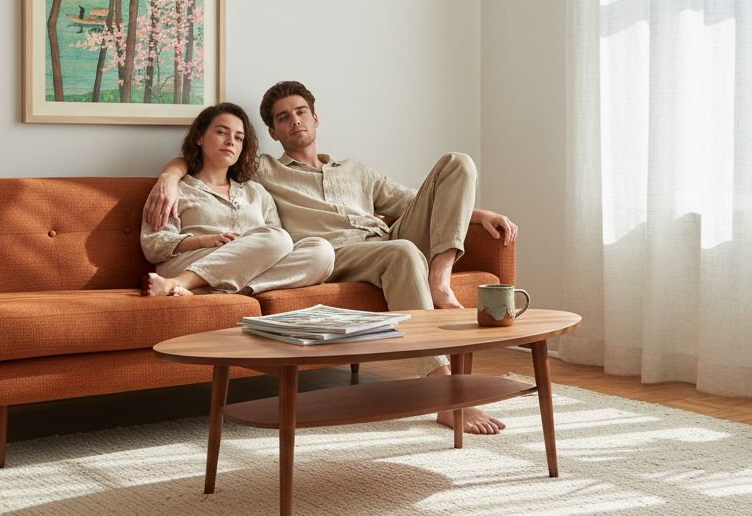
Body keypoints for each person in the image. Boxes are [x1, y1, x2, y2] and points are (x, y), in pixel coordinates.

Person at [143, 82, 518, 435]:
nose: (295, 121)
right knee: (402, 253)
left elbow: (417, 201)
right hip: (339, 253)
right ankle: (445, 395)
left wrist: (479, 215)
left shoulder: (356, 170)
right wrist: (168, 179)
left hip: (386, 238)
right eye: (283, 117)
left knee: (459, 162)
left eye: (301, 112)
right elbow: (208, 156)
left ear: (316, 118)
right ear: (273, 132)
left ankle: (440, 276)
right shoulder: (263, 172)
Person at [140, 102, 334, 298]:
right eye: (222, 132)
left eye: (239, 138)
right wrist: (202, 241)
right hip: (191, 260)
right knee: (278, 238)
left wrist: (247, 250)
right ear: (199, 137)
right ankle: (182, 281)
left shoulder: (256, 192)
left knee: (322, 252)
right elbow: (154, 246)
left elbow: (277, 248)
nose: (231, 141)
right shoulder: (175, 189)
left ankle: (212, 291)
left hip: (250, 268)